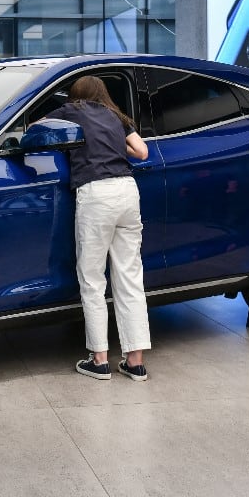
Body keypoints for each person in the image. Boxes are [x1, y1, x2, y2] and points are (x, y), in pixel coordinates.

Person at [46, 76, 152, 381]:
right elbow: (142, 151)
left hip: (96, 193)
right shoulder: (116, 116)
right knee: (130, 277)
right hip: (127, 190)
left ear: (77, 95)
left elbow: (37, 127)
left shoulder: (72, 110)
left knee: (92, 278)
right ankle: (135, 363)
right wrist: (114, 146)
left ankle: (99, 360)